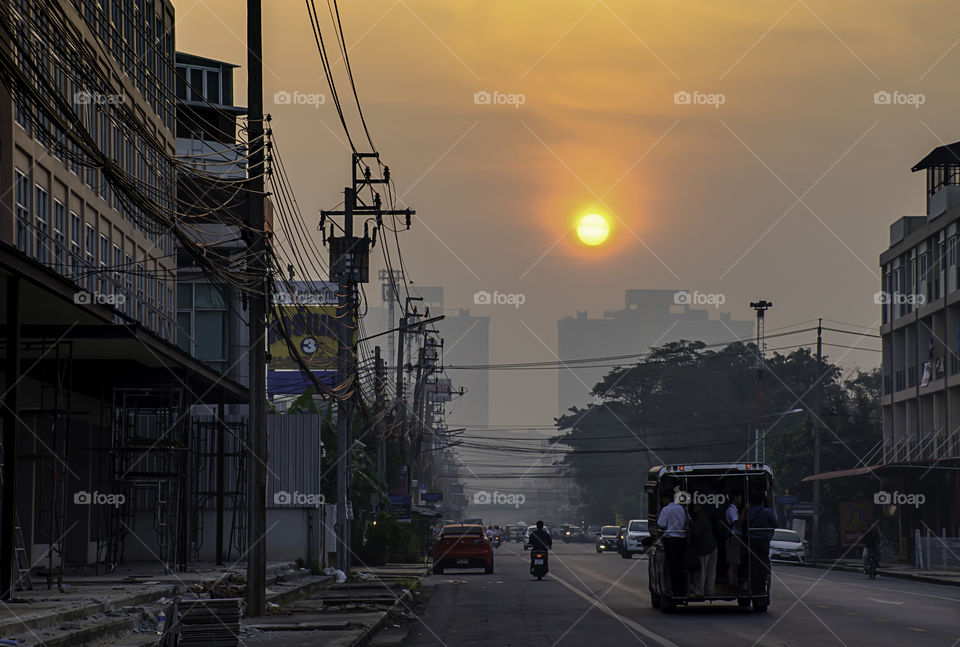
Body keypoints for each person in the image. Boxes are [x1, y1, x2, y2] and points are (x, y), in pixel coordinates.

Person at [743, 489, 777, 596]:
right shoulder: (767, 512)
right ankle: (760, 587)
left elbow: (743, 524)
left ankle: (750, 585)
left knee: (751, 564)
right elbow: (776, 524)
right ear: (763, 500)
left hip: (751, 541)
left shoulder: (747, 511)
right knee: (762, 564)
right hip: (763, 542)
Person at [656, 492, 690, 597]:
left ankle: (675, 590)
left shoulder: (666, 509)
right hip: (682, 540)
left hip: (670, 541)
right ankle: (683, 589)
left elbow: (661, 524)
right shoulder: (682, 509)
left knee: (672, 567)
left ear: (666, 499)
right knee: (681, 566)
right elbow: (689, 521)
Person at [688, 502, 717, 599]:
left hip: (704, 548)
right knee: (711, 571)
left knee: (701, 571)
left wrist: (689, 529)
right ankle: (710, 591)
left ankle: (699, 592)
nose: (694, 508)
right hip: (713, 546)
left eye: (695, 506)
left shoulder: (700, 518)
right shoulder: (705, 517)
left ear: (699, 507)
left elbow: (697, 533)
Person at [724, 491, 743, 593]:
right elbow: (737, 523)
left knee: (736, 564)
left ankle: (734, 584)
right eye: (740, 497)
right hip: (733, 537)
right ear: (735, 497)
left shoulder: (734, 509)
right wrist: (745, 511)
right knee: (733, 564)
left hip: (736, 537)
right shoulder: (731, 510)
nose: (741, 500)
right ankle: (731, 585)